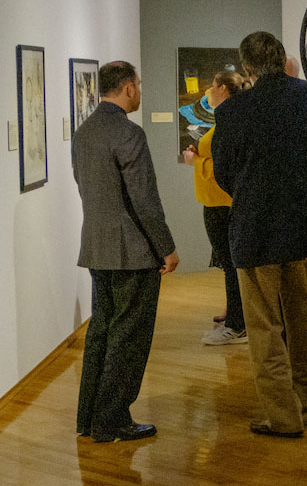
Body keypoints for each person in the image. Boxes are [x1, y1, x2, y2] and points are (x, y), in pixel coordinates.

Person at [212, 31, 307, 438]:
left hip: (256, 230)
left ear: (247, 69)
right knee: (305, 319)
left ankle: (282, 416)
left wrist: (252, 194)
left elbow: (225, 174)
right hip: (304, 225)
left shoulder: (233, 112)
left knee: (264, 328)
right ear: (283, 58)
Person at [72, 61, 179, 443]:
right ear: (129, 88)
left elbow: (86, 187)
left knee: (101, 331)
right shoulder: (129, 133)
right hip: (132, 253)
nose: (140, 91)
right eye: (139, 85)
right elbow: (144, 199)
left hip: (97, 249)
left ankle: (89, 418)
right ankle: (112, 419)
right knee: (128, 338)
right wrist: (165, 247)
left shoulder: (83, 132)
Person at [183, 71, 248, 345]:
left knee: (231, 265)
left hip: (222, 203)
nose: (208, 91)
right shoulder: (229, 118)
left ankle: (237, 326)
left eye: (212, 86)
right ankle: (235, 318)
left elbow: (225, 165)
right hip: (218, 202)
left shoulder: (229, 120)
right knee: (230, 265)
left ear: (222, 88)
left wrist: (193, 160)